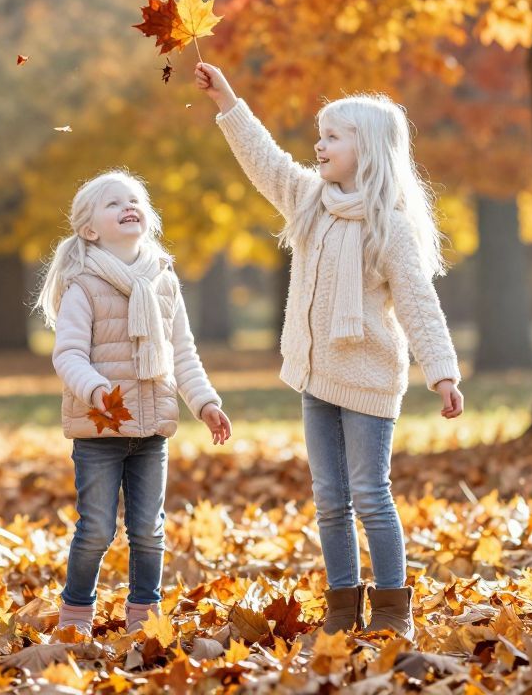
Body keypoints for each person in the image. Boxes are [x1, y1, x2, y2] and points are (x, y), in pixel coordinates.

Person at [196, 63, 464, 638]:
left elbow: (418, 303)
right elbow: (264, 160)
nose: (319, 145)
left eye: (333, 137)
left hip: (368, 378)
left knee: (370, 494)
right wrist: (227, 101)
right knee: (329, 500)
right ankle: (342, 610)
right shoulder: (309, 201)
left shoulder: (389, 227)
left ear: (367, 150)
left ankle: (392, 610)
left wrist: (442, 372)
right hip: (315, 376)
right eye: (320, 135)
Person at [36, 169, 232, 637]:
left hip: (152, 429)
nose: (128, 206)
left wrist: (204, 402)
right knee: (96, 530)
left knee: (148, 529)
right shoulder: (83, 285)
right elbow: (68, 354)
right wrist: (95, 389)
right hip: (100, 429)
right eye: (113, 203)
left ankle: (145, 617)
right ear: (90, 230)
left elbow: (182, 352)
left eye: (134, 200)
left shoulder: (163, 281)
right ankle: (76, 616)